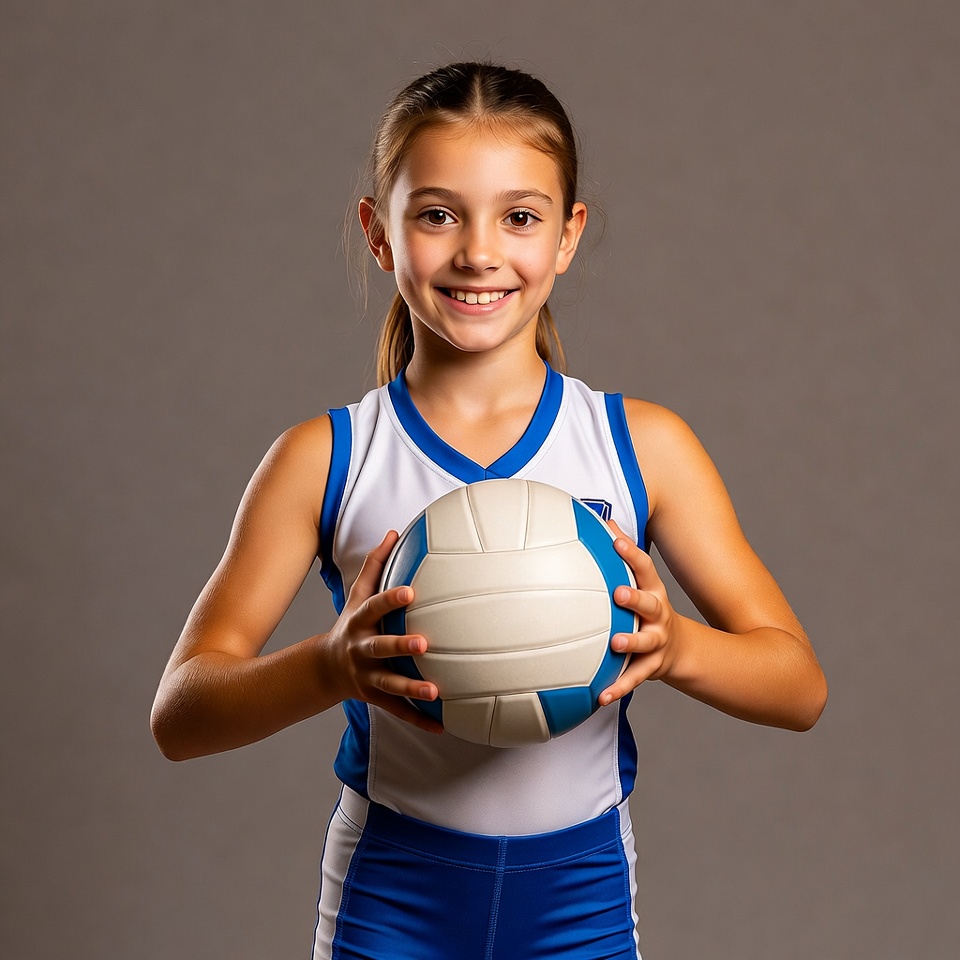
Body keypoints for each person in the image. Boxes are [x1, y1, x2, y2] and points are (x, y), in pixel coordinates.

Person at [151, 61, 827, 960]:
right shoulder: (329, 458)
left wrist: (678, 648)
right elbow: (181, 715)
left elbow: (799, 686)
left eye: (520, 216)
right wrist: (329, 664)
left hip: (579, 895)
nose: (478, 252)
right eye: (437, 214)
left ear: (568, 235)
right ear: (378, 234)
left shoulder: (641, 445)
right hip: (392, 893)